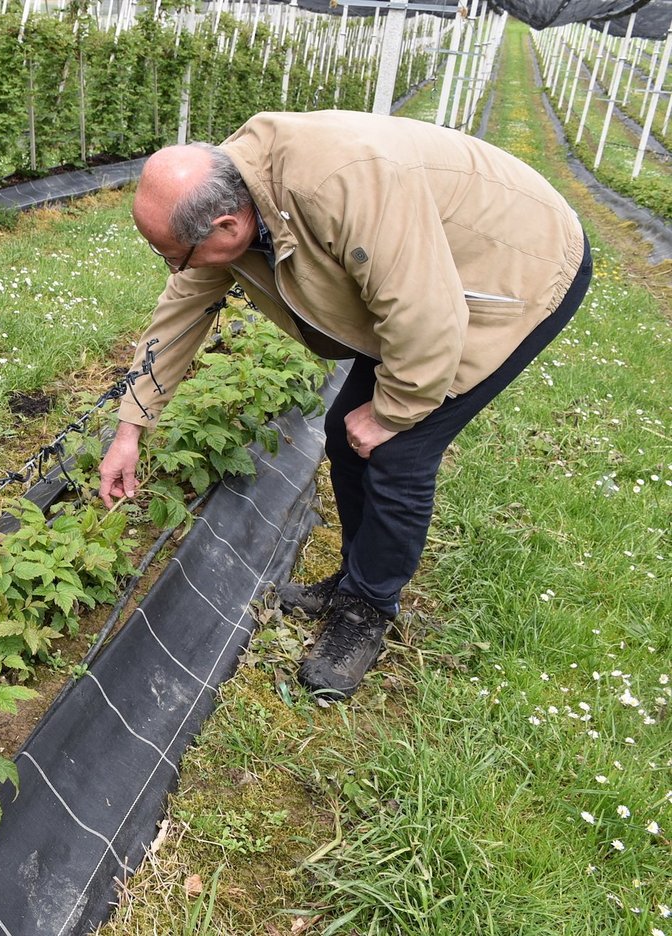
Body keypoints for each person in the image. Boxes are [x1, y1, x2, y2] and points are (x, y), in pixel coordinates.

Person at [99, 110, 592, 699]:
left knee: (400, 452)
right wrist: (130, 429)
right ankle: (356, 582)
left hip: (514, 275)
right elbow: (181, 314)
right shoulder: (230, 187)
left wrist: (392, 410)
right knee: (343, 432)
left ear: (226, 227)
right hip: (424, 285)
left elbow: (428, 319)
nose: (172, 268)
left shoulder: (339, 186)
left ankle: (367, 613)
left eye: (173, 255)